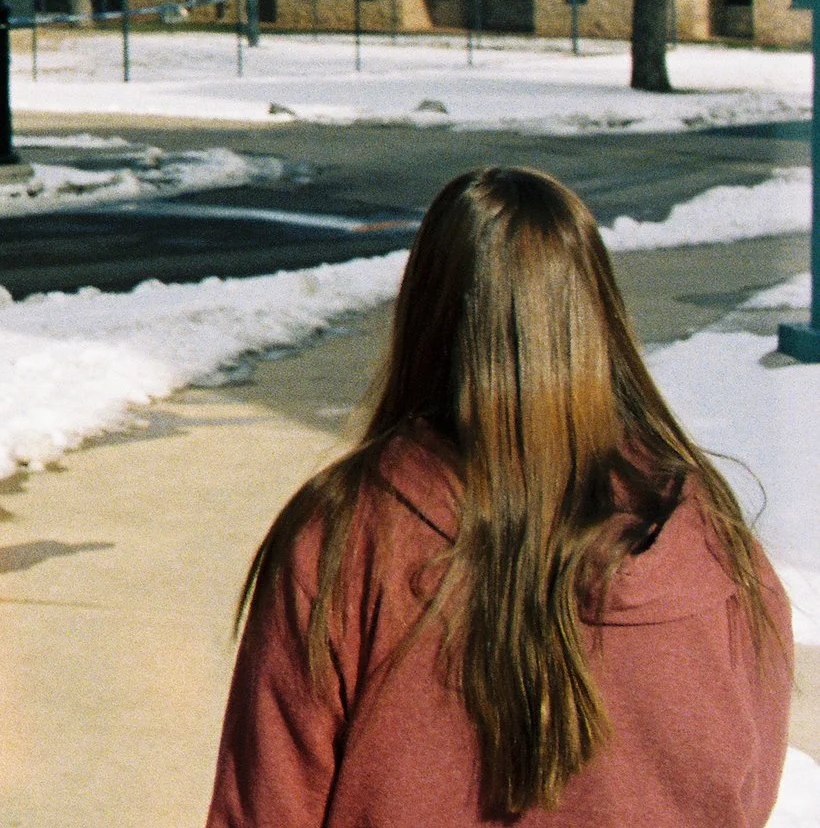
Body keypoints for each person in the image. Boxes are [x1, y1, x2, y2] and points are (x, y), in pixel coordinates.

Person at [208, 166, 792, 827]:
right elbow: (746, 787)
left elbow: (265, 808)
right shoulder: (711, 540)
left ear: (428, 310)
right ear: (595, 314)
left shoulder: (345, 534)